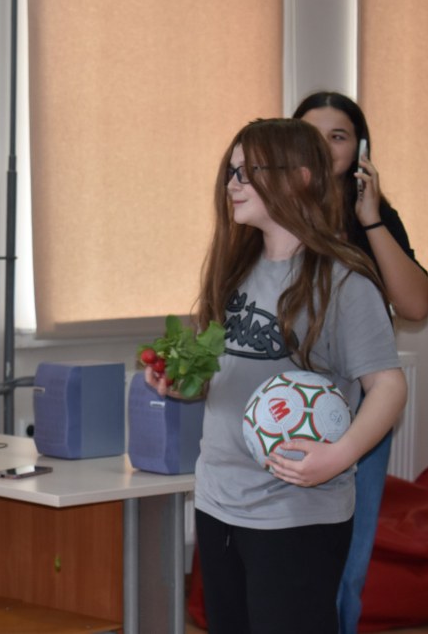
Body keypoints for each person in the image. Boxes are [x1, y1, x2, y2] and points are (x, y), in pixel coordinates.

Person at [148, 118, 407, 633]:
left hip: (297, 511)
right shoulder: (232, 269)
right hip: (219, 501)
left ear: (299, 178)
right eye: (231, 172)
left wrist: (339, 455)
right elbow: (223, 372)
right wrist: (185, 383)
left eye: (248, 172)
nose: (232, 184)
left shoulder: (344, 282)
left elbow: (388, 386)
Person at [295, 91, 428, 634]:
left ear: (360, 149)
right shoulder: (271, 211)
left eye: (339, 136)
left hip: (359, 413)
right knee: (288, 566)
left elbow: (415, 306)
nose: (325, 146)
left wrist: (371, 219)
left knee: (347, 570)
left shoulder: (374, 217)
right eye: (313, 134)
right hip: (283, 409)